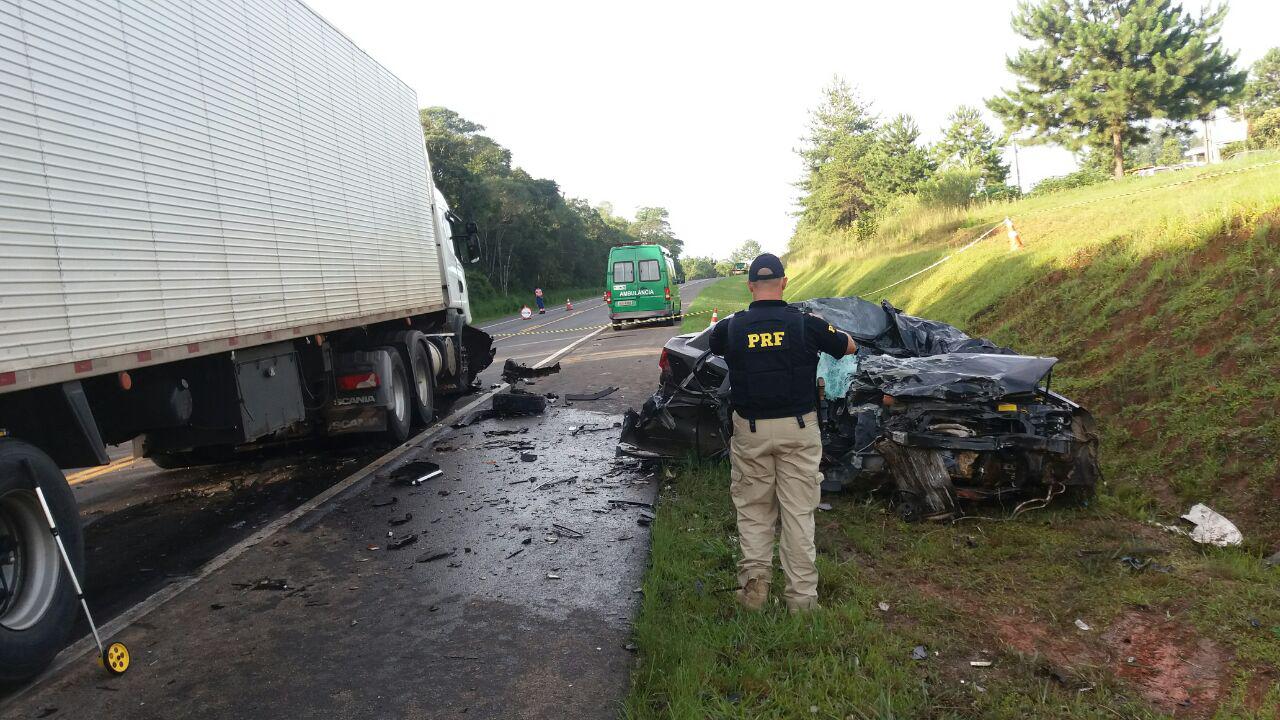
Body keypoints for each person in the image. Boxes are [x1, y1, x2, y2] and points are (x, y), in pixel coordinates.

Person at [708, 253, 857, 613]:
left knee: (755, 512)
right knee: (798, 516)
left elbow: (714, 347)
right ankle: (802, 602)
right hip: (799, 430)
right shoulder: (805, 324)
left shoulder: (731, 327)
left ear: (749, 286)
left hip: (751, 432)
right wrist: (821, 326)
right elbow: (849, 346)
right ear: (784, 282)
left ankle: (754, 593)